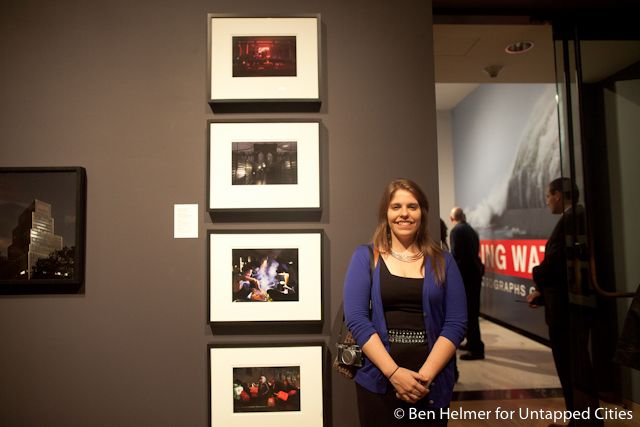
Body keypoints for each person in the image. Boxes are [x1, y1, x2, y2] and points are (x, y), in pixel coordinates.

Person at [344, 178, 467, 426]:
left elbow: (456, 323)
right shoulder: (365, 257)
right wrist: (395, 373)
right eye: (396, 206)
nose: (404, 214)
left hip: (430, 384)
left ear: (422, 212)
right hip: (378, 380)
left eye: (412, 206)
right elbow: (356, 319)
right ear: (385, 213)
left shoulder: (444, 261)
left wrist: (423, 378)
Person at [527, 177, 601, 427]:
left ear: (559, 195)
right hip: (569, 307)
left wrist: (537, 276)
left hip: (567, 312)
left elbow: (556, 266)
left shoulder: (570, 220)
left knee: (571, 367)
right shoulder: (578, 217)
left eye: (549, 195)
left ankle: (581, 421)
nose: (547, 201)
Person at [449, 207, 485, 360]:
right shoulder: (471, 230)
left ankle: (476, 349)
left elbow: (456, 255)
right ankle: (472, 343)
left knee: (469, 313)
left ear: (452, 219)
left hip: (466, 278)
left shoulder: (456, 231)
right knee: (472, 312)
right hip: (474, 275)